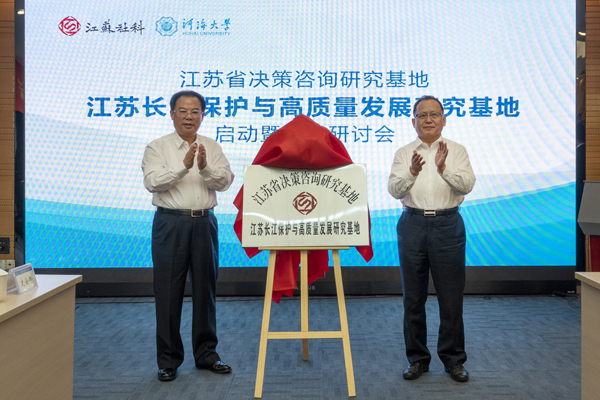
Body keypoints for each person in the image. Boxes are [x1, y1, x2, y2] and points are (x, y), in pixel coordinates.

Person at [141, 90, 234, 382]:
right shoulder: (157, 147)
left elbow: (225, 182)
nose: (189, 117)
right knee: (168, 292)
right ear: (172, 114)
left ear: (203, 115)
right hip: (170, 223)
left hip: (204, 223)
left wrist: (204, 168)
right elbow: (152, 182)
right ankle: (168, 360)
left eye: (195, 112)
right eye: (182, 111)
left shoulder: (212, 146)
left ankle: (207, 354)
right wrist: (183, 166)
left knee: (205, 290)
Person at [388, 95, 476, 383]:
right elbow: (394, 190)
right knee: (413, 299)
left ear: (443, 119)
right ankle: (417, 360)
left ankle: (454, 360)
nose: (428, 119)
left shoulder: (457, 150)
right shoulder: (404, 153)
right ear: (413, 121)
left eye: (434, 114)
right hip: (412, 223)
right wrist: (412, 172)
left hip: (447, 225)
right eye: (422, 115)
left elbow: (467, 185)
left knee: (451, 299)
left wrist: (443, 169)